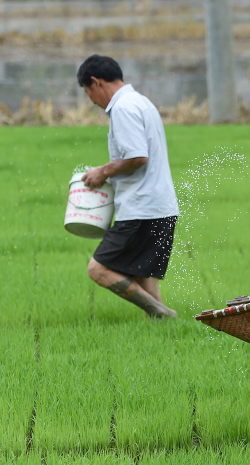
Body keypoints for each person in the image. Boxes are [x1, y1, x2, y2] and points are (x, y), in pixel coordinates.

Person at [77, 55, 179, 319]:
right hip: (160, 206)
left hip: (140, 208)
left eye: (89, 94)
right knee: (142, 275)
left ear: (95, 82)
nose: (93, 102)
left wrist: (103, 171)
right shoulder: (141, 102)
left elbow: (137, 157)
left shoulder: (122, 108)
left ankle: (161, 313)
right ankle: (161, 321)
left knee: (98, 269)